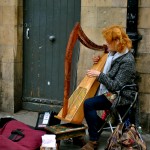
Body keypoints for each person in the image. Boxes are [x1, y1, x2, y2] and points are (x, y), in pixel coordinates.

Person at [81, 25, 136, 150]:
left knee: (88, 104)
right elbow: (110, 69)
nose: (106, 43)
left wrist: (99, 75)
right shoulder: (114, 54)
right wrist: (99, 60)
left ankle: (93, 140)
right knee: (89, 103)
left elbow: (116, 86)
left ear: (117, 42)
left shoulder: (127, 61)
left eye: (108, 41)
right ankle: (97, 128)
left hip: (121, 96)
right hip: (111, 92)